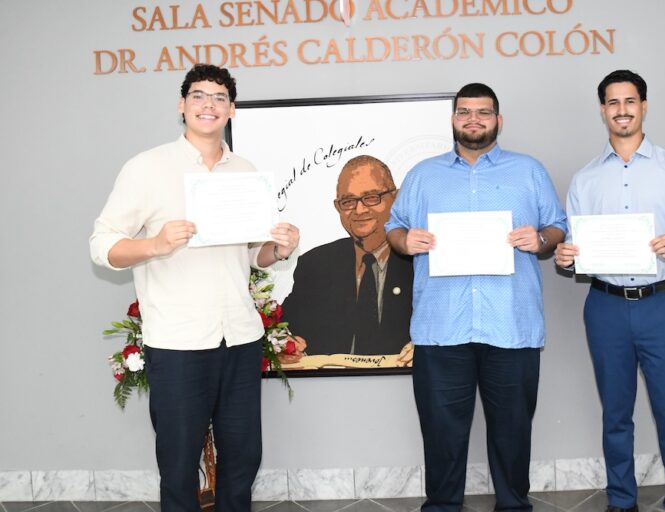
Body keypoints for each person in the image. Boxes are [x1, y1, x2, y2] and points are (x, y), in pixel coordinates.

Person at [89, 64, 300, 512]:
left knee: (243, 457)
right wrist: (156, 243)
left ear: (232, 111)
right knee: (179, 461)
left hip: (240, 337)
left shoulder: (244, 171)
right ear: (182, 105)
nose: (209, 105)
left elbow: (246, 255)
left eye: (220, 97)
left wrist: (278, 250)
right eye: (199, 96)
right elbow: (102, 246)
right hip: (178, 340)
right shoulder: (146, 168)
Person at [386, 83, 567, 512]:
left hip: (511, 325)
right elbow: (394, 228)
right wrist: (404, 239)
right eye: (464, 112)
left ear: (498, 120)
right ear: (453, 119)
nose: (473, 120)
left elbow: (558, 226)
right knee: (442, 434)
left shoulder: (529, 171)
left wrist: (540, 238)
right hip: (441, 328)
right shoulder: (422, 176)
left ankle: (513, 505)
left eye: (483, 112)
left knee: (512, 432)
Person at [554, 70, 665, 512]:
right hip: (606, 308)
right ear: (603, 110)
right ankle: (621, 501)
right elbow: (574, 240)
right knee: (615, 416)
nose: (621, 110)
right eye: (612, 102)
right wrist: (567, 256)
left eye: (630, 101)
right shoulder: (585, 179)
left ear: (644, 106)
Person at [281, 155, 413, 356]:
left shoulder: (419, 261)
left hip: (402, 382)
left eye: (371, 197)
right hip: (332, 384)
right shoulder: (316, 264)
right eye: (348, 201)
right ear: (338, 207)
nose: (359, 210)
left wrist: (425, 346)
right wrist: (287, 341)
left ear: (394, 198)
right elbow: (287, 327)